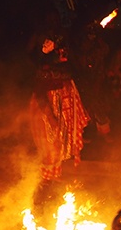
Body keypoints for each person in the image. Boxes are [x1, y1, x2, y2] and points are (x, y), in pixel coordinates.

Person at [29, 37, 88, 180]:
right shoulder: (45, 71)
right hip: (48, 109)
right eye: (59, 52)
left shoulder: (66, 68)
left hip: (64, 107)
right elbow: (40, 95)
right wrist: (50, 116)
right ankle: (47, 178)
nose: (63, 54)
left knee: (64, 142)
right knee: (50, 144)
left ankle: (59, 175)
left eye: (63, 51)